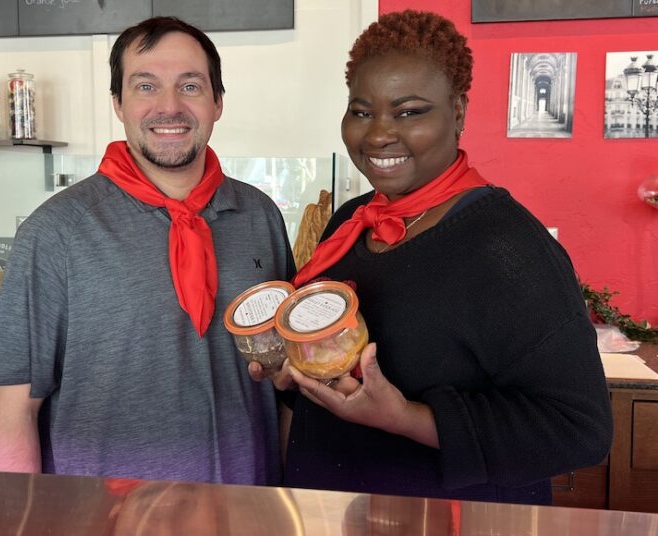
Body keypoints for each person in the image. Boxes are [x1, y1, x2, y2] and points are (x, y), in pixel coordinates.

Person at [258, 9, 612, 504]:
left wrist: (408, 418)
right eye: (361, 111)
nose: (379, 134)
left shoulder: (509, 248)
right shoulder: (350, 222)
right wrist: (291, 370)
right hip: (327, 505)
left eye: (409, 112)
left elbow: (579, 430)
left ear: (459, 111)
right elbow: (334, 371)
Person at [0, 16, 294, 484]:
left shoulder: (259, 216)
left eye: (190, 85)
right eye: (146, 86)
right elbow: (10, 411)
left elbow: (284, 379)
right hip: (107, 517)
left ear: (217, 102)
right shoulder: (58, 232)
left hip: (246, 507)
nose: (169, 106)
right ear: (118, 103)